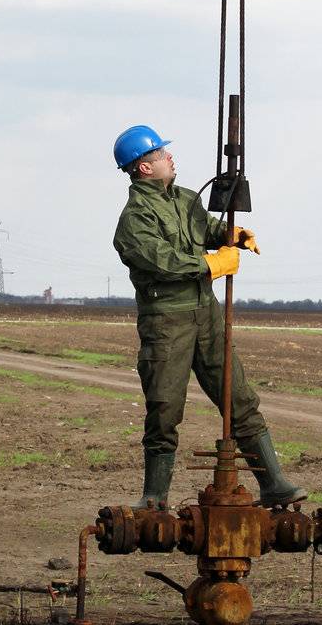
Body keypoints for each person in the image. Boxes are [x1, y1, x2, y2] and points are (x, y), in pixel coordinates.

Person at [111, 123, 304, 510]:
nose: (170, 158)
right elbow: (161, 260)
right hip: (167, 323)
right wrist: (211, 264)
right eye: (163, 154)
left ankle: (274, 484)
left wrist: (231, 235)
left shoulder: (184, 199)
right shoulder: (134, 219)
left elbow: (206, 228)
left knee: (239, 398)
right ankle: (154, 498)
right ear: (145, 168)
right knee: (165, 408)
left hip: (207, 316)